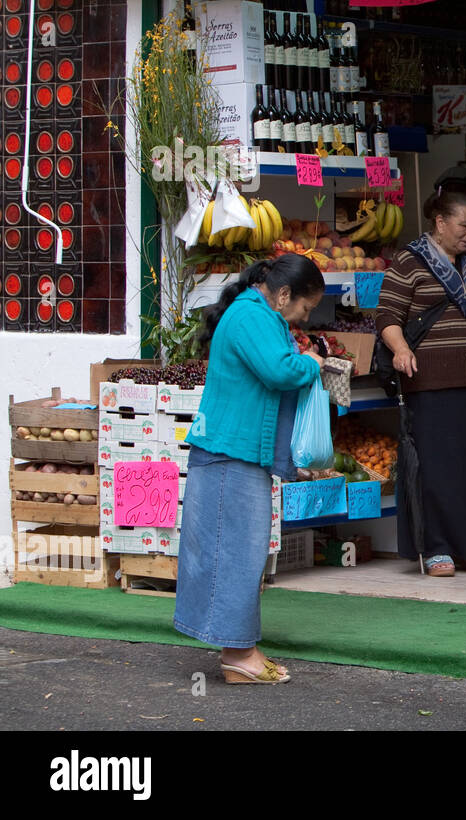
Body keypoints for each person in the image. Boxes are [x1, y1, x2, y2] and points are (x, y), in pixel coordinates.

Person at [174, 255, 325, 685]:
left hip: (235, 453)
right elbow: (279, 370)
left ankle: (238, 650)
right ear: (282, 294)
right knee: (236, 553)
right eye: (305, 307)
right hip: (230, 453)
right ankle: (239, 654)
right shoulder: (249, 316)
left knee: (239, 551)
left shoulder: (257, 313)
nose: (305, 317)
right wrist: (311, 363)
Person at [376, 189, 466, 577]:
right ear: (440, 222)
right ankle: (436, 549)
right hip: (429, 382)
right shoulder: (409, 261)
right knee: (436, 468)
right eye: (463, 224)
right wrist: (401, 350)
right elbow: (387, 315)